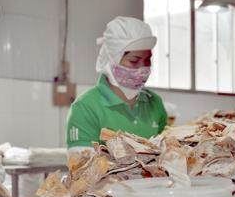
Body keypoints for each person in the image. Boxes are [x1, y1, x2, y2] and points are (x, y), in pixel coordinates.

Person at [66, 16, 167, 155]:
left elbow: (167, 155)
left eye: (148, 60)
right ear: (112, 58)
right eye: (134, 60)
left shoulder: (155, 103)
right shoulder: (86, 107)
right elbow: (81, 168)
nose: (143, 67)